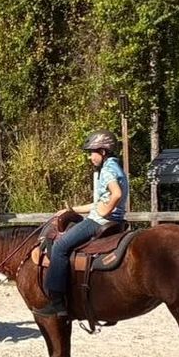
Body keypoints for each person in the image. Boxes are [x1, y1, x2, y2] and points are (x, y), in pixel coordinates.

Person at [38, 130, 129, 319]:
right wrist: (73, 209)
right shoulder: (114, 166)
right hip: (112, 219)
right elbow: (99, 202)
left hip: (99, 221)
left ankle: (57, 301)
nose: (90, 157)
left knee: (61, 246)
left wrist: (105, 210)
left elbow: (116, 194)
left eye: (92, 152)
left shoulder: (108, 170)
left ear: (103, 152)